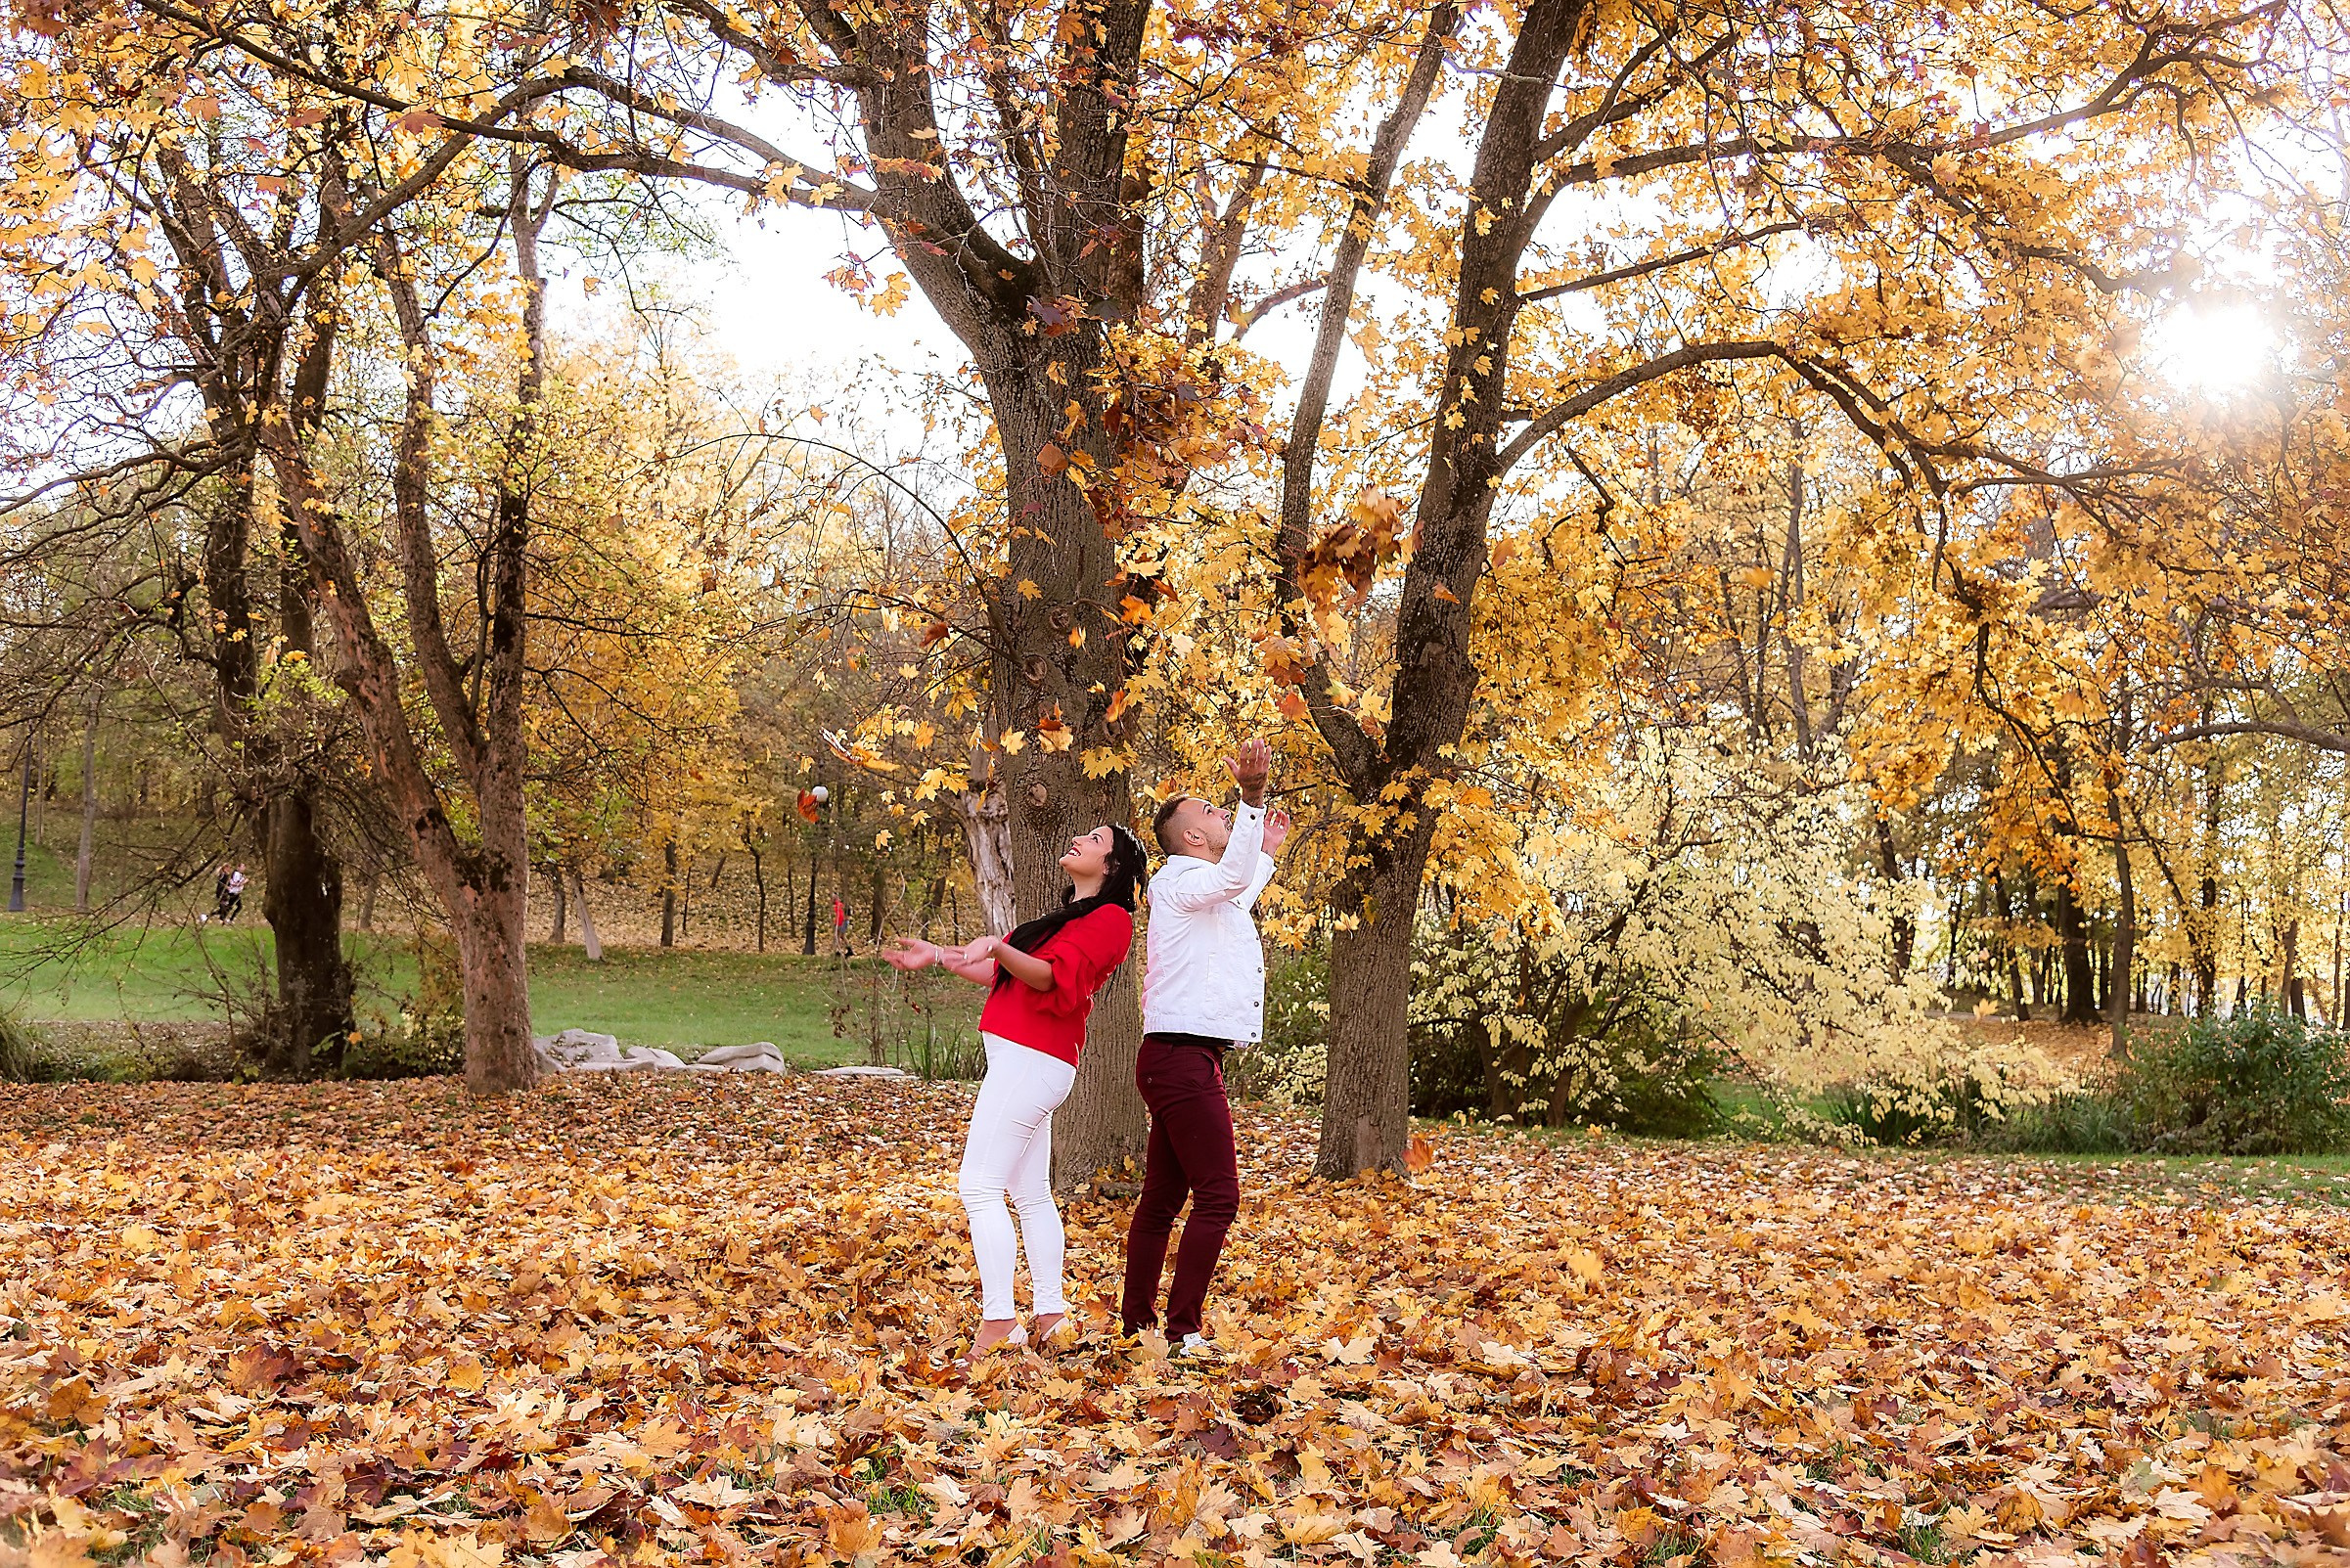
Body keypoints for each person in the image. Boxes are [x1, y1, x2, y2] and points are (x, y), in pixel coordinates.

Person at [884, 823, 1146, 1362]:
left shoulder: (1111, 919)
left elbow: (1049, 978)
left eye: (1095, 839)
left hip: (1034, 1060)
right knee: (1030, 1193)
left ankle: (1000, 1319)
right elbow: (1010, 975)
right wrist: (939, 956)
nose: (1078, 839)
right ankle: (1050, 1315)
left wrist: (1001, 948)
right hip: (1024, 1058)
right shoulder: (1067, 916)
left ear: (1113, 865)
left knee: (978, 1186)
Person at [1121, 738, 1290, 1357]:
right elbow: (1231, 881)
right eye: (1214, 814)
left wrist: (1264, 852)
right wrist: (1251, 798)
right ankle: (1182, 1328)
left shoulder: (1199, 890)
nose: (1224, 816)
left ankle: (1136, 1323)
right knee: (1218, 1195)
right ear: (1192, 839)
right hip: (1181, 1059)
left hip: (1181, 1057)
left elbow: (1236, 892)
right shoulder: (1175, 883)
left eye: (1228, 810)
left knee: (1164, 1198)